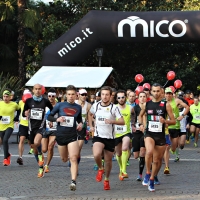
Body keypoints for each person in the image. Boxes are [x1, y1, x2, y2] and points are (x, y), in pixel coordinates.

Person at [138, 83, 176, 192]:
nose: (156, 93)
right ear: (151, 92)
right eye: (153, 91)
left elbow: (173, 121)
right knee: (149, 152)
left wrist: (166, 121)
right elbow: (141, 115)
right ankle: (148, 173)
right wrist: (142, 125)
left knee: (157, 160)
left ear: (161, 92)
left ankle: (151, 179)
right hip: (149, 133)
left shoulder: (166, 105)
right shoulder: (147, 104)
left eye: (158, 91)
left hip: (160, 135)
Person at [88, 86, 124, 190]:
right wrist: (91, 126)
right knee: (96, 154)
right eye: (102, 94)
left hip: (110, 137)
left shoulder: (114, 108)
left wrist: (113, 121)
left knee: (108, 161)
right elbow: (90, 114)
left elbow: (122, 122)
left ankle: (107, 179)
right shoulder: (96, 105)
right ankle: (100, 168)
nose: (104, 97)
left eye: (106, 94)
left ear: (110, 96)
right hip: (98, 136)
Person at [48, 85, 83, 191]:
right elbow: (49, 116)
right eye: (69, 94)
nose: (71, 96)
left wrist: (81, 124)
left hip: (72, 136)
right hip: (61, 136)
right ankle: (67, 160)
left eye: (73, 94)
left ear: (76, 95)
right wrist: (57, 119)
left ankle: (73, 182)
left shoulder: (78, 107)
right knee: (64, 159)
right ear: (66, 95)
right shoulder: (60, 105)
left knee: (73, 158)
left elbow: (80, 120)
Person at [22, 84, 53, 178]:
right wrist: (25, 113)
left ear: (42, 90)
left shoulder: (45, 101)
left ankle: (40, 159)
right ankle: (40, 166)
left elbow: (52, 111)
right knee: (33, 147)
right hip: (31, 127)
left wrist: (51, 120)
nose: (38, 91)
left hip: (41, 126)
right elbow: (23, 113)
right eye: (36, 89)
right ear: (33, 90)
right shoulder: (28, 101)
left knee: (36, 142)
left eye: (39, 89)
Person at [115, 90, 135, 181]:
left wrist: (133, 124)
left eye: (122, 97)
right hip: (115, 133)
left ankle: (124, 170)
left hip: (126, 132)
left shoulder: (130, 107)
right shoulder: (113, 108)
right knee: (118, 153)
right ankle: (120, 169)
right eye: (119, 97)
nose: (121, 99)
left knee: (125, 148)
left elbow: (133, 115)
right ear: (116, 99)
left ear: (125, 97)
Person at [0, 89, 20, 166]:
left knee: (5, 140)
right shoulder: (0, 104)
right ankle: (8, 154)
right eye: (4, 96)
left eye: (7, 96)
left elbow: (19, 109)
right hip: (1, 126)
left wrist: (17, 117)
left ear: (10, 97)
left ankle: (5, 158)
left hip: (10, 126)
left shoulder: (14, 104)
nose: (5, 98)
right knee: (2, 141)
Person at [75, 89, 91, 168]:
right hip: (72, 128)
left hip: (82, 129)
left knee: (78, 149)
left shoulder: (88, 105)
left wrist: (90, 127)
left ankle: (75, 165)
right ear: (78, 95)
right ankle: (73, 160)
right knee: (73, 148)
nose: (84, 96)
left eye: (85, 95)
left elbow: (89, 118)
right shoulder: (74, 103)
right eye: (82, 94)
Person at [132, 92, 146, 181]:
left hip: (145, 133)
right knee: (136, 156)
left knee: (142, 152)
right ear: (138, 98)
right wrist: (133, 125)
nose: (142, 98)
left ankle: (140, 174)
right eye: (140, 96)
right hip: (136, 132)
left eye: (144, 96)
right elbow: (132, 118)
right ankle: (143, 160)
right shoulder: (135, 108)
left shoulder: (148, 107)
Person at [42, 88, 58, 173]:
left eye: (53, 96)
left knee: (50, 146)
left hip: (55, 129)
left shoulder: (58, 106)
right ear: (47, 96)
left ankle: (47, 165)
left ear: (55, 96)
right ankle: (43, 160)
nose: (51, 97)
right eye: (49, 96)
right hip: (45, 129)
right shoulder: (44, 105)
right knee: (44, 149)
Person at [17, 89, 32, 165]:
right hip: (23, 124)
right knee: (21, 140)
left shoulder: (33, 103)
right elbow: (17, 109)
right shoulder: (20, 102)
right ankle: (20, 157)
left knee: (31, 142)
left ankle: (33, 150)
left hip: (31, 124)